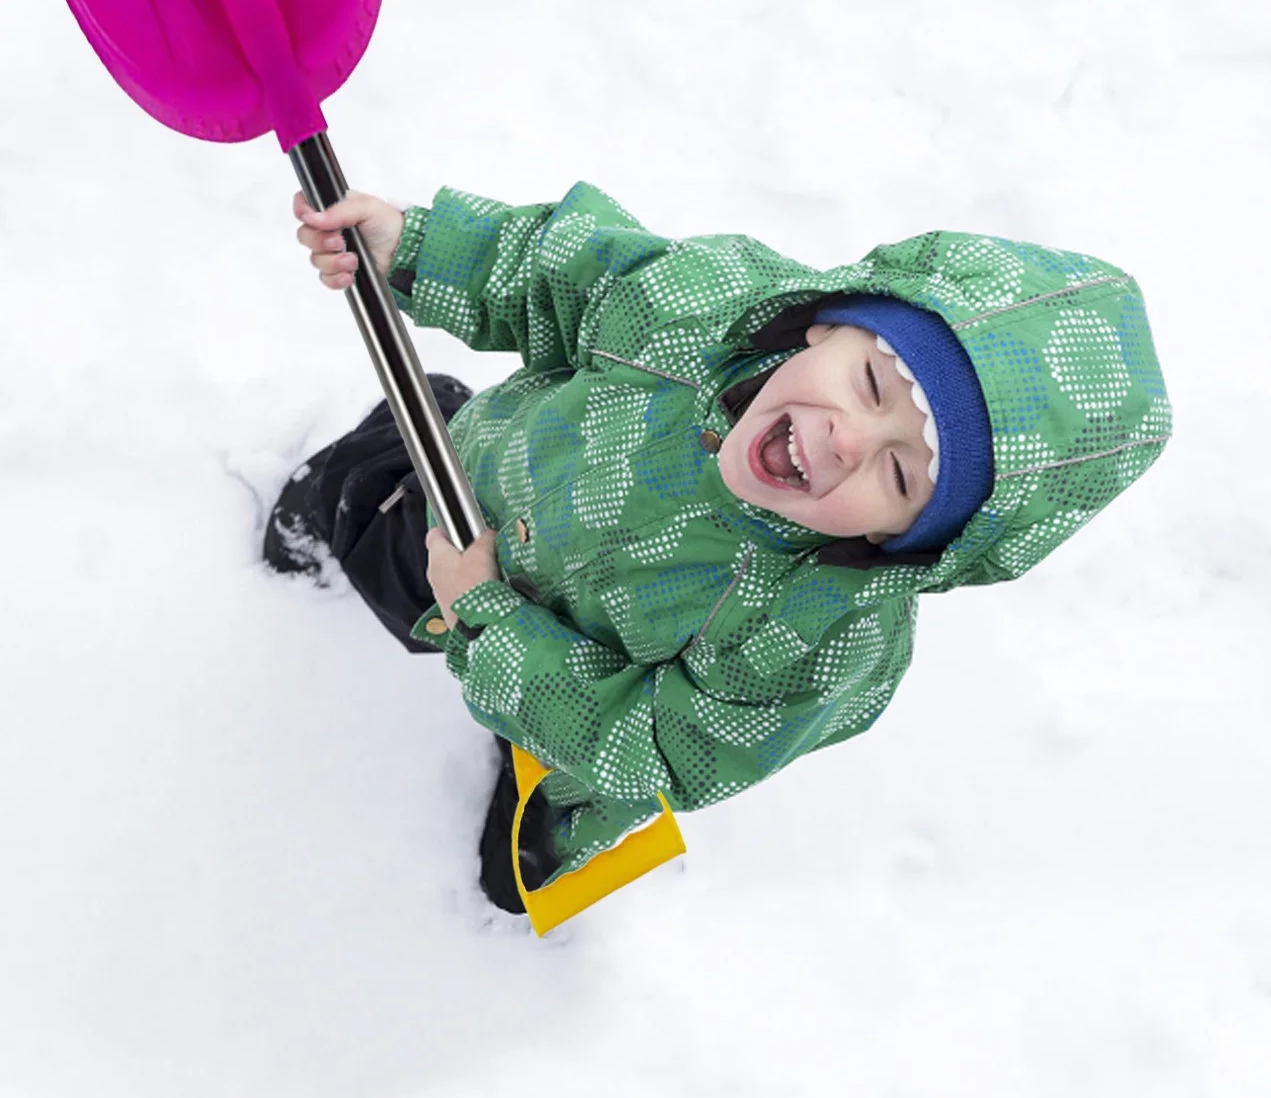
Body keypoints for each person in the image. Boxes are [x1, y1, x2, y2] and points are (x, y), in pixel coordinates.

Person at [265, 180, 1172, 916]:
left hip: (590, 668)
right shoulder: (699, 308)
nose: (850, 438)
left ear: (902, 540)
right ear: (831, 321)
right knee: (373, 513)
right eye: (870, 382)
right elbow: (563, 271)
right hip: (475, 484)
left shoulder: (815, 636)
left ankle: (553, 818)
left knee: (554, 809)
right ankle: (347, 497)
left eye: (900, 475)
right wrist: (419, 248)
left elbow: (661, 745)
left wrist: (490, 620)